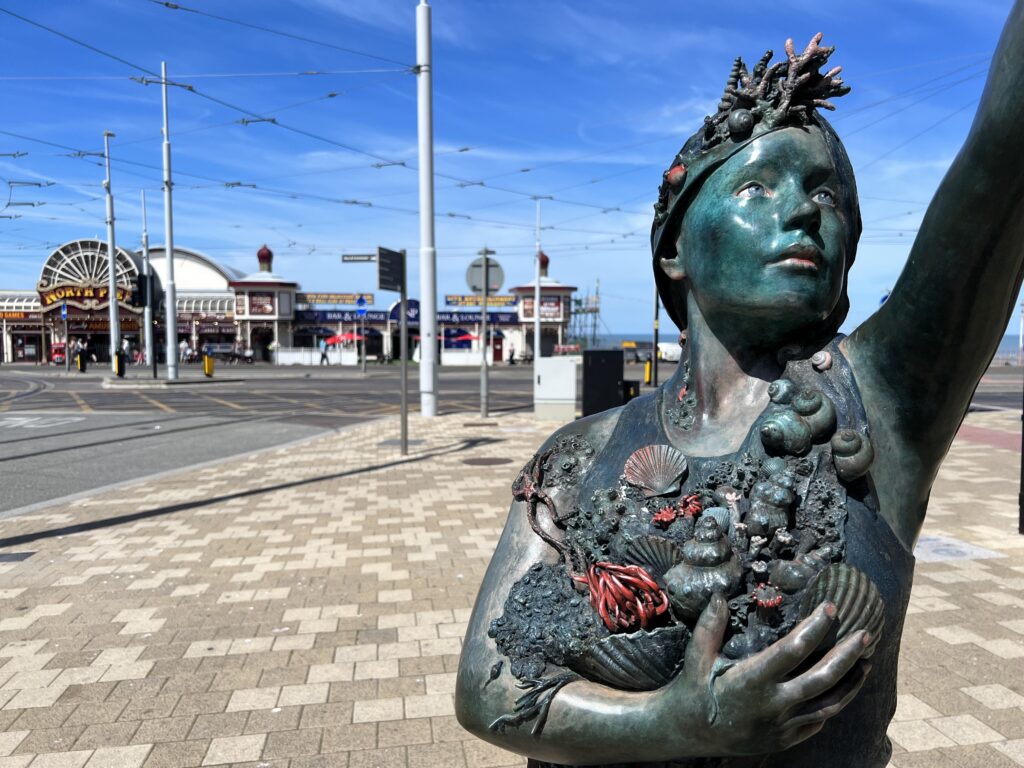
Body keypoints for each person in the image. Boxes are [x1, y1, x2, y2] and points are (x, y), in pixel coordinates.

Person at [456, 13, 1024, 768]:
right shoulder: (579, 453)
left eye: (827, 198)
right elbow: (487, 687)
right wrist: (672, 724)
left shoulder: (880, 404)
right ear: (675, 250)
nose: (800, 211)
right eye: (758, 185)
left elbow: (1003, 160)